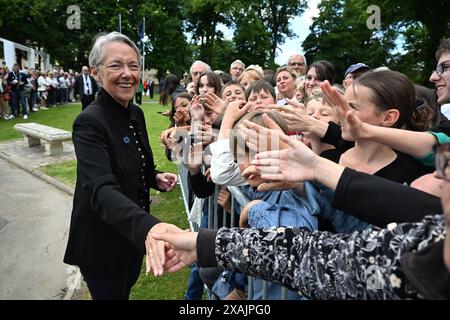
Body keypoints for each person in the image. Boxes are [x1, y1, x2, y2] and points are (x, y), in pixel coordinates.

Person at [149, 135, 448, 299]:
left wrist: (255, 211)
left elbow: (294, 234)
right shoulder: (425, 242)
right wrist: (204, 243)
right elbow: (317, 256)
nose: (439, 173)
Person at [63, 31, 180, 300]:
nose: (127, 73)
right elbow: (101, 189)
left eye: (133, 66)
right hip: (102, 244)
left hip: (131, 239)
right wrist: (150, 227)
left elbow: (134, 159)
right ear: (96, 73)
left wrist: (153, 177)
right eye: (116, 65)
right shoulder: (89, 122)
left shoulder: (135, 113)